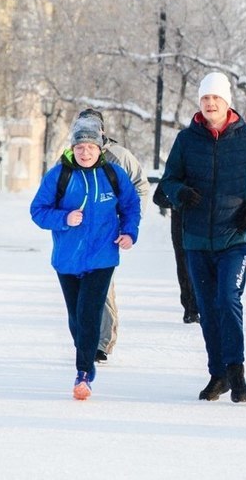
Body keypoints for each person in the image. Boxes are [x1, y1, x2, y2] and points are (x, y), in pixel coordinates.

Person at [159, 72, 246, 404]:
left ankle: (236, 372)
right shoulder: (186, 140)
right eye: (205, 99)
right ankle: (217, 374)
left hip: (233, 236)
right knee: (208, 308)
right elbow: (168, 181)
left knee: (228, 299)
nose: (210, 104)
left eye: (216, 99)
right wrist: (180, 192)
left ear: (227, 102)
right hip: (195, 238)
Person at [30, 117, 141, 400]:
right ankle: (85, 356)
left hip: (102, 257)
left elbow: (131, 205)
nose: (85, 152)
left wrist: (129, 232)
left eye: (90, 147)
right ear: (73, 148)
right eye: (80, 147)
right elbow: (38, 211)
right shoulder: (59, 175)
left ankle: (83, 373)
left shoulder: (113, 175)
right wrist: (64, 218)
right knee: (76, 318)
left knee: (90, 313)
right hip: (67, 258)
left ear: (99, 148)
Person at [76, 109, 150, 363]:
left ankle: (102, 343)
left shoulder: (119, 157)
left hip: (108, 231)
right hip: (77, 234)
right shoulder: (70, 156)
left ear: (102, 131)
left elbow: (140, 187)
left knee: (103, 285)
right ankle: (84, 337)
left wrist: (128, 223)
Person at [152, 182, 200, 323]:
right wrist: (175, 202)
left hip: (201, 225)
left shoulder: (202, 169)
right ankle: (190, 308)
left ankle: (200, 305)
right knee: (184, 266)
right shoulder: (174, 173)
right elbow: (158, 197)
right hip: (180, 226)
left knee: (200, 266)